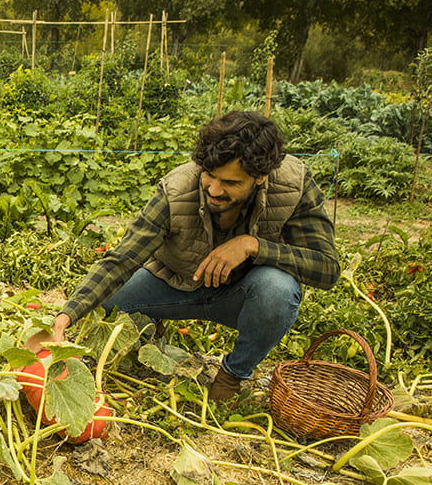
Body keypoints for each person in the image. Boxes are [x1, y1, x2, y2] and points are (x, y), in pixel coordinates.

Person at [33, 110, 340, 403]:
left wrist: (253, 246)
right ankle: (152, 324)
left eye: (231, 183)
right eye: (210, 176)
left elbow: (327, 268)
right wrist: (67, 314)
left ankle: (232, 376)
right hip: (171, 285)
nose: (215, 190)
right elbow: (123, 258)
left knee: (278, 289)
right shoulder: (177, 189)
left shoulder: (292, 185)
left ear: (260, 177)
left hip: (244, 296)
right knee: (103, 304)